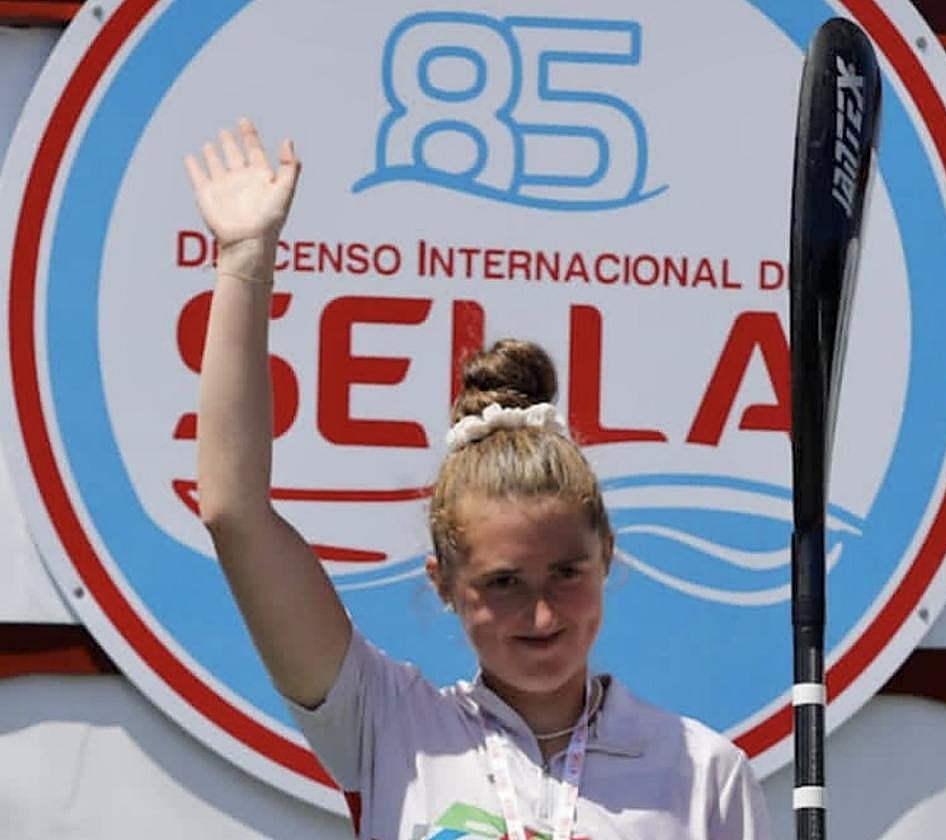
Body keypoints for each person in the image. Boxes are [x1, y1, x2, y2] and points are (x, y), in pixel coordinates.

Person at [185, 118, 769, 840]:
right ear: (442, 582)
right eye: (503, 583)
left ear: (608, 555)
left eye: (565, 572)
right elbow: (234, 512)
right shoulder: (386, 724)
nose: (544, 615)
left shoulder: (703, 772)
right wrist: (244, 262)